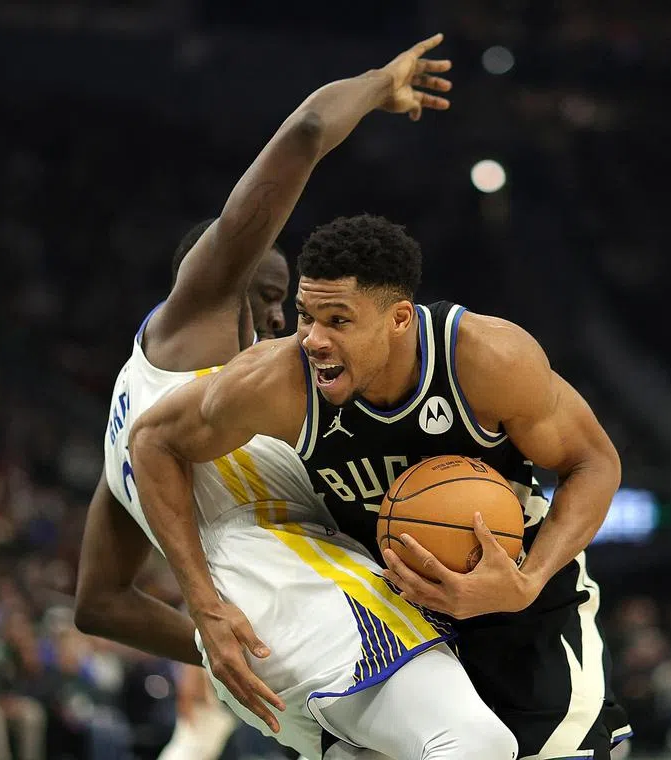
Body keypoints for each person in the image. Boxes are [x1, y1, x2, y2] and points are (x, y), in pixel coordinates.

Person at [80, 35, 517, 760]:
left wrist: (214, 630)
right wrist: (380, 84)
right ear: (217, 276)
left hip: (256, 654)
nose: (288, 324)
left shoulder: (133, 422)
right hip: (300, 593)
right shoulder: (201, 322)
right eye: (277, 299)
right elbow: (307, 132)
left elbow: (99, 603)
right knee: (476, 746)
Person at [130, 213, 634, 759]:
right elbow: (154, 442)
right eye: (305, 316)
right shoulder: (279, 382)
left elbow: (594, 462)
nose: (313, 340)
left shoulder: (486, 358)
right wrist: (203, 603)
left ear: (398, 319)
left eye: (337, 320)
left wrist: (528, 579)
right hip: (392, 608)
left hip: (519, 594)